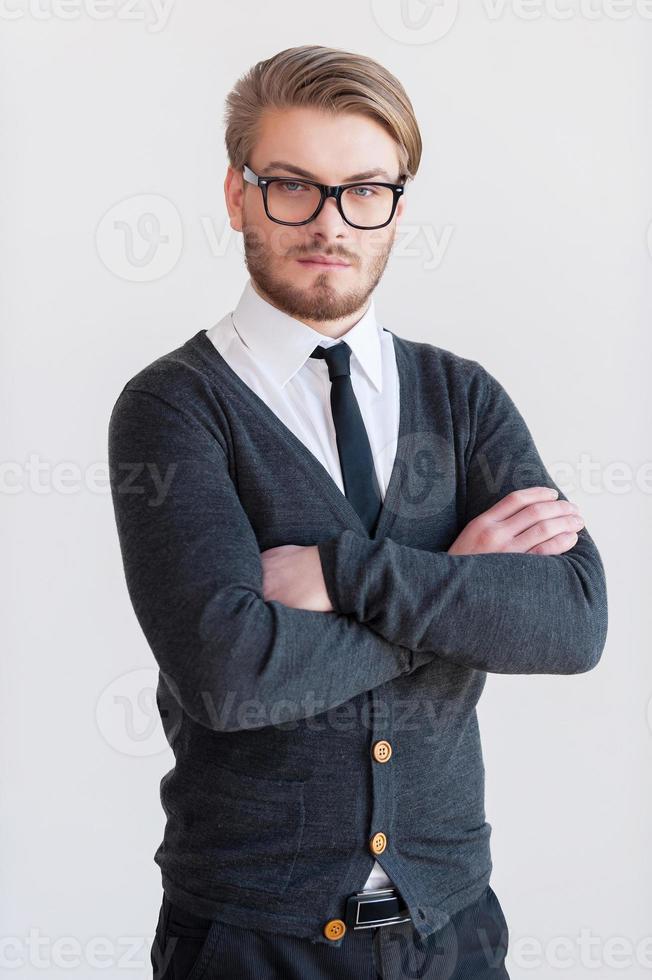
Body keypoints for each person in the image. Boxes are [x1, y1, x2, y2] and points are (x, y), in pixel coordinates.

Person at [108, 44, 608, 980]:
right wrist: (461, 585)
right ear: (237, 195)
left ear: (397, 208)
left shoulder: (462, 398)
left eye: (364, 191)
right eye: (292, 186)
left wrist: (340, 576)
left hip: (453, 927)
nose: (329, 222)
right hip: (251, 936)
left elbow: (574, 621)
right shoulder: (174, 407)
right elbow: (231, 672)